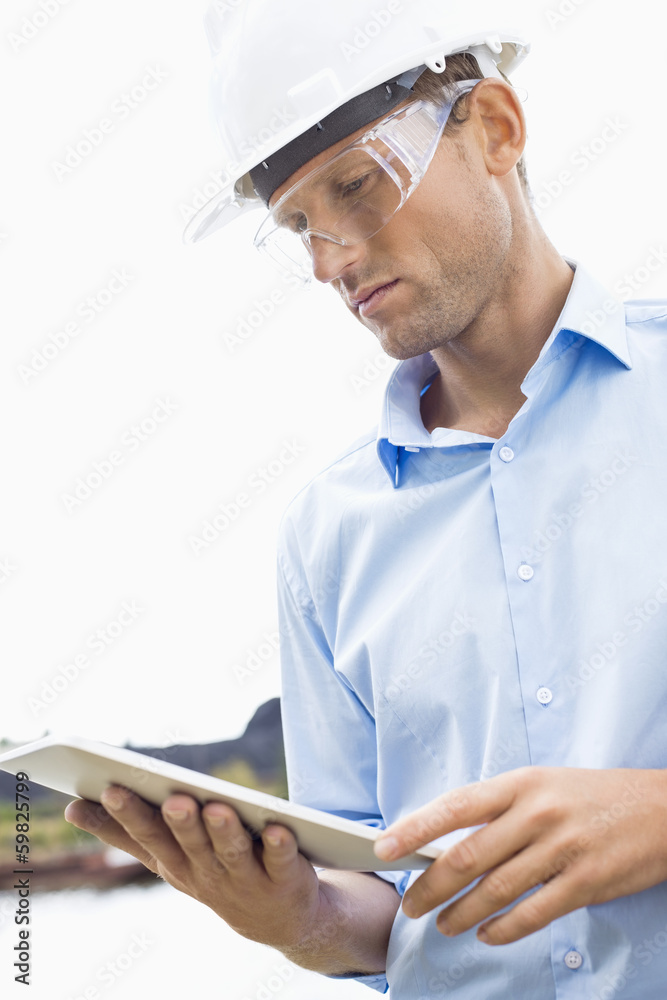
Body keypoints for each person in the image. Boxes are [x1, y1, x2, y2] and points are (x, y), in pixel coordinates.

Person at [65, 0, 667, 996]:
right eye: (295, 224)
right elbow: (383, 899)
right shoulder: (328, 536)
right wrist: (301, 919)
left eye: (357, 185)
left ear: (496, 131)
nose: (328, 258)